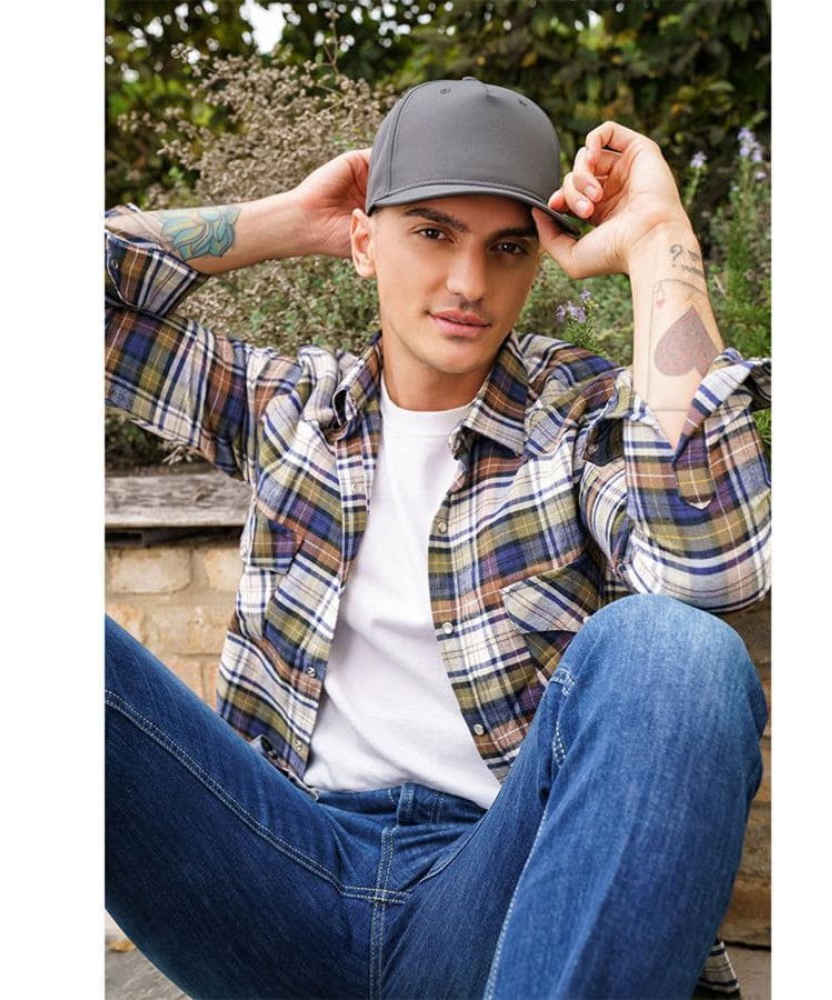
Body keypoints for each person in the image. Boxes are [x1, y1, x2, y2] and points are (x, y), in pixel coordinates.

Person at [104, 77, 770, 999]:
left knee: (676, 654)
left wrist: (659, 239)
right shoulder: (289, 408)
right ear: (364, 243)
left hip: (500, 897)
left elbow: (713, 569)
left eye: (507, 247)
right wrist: (284, 222)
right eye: (431, 233)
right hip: (281, 877)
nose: (469, 283)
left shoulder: (578, 419)